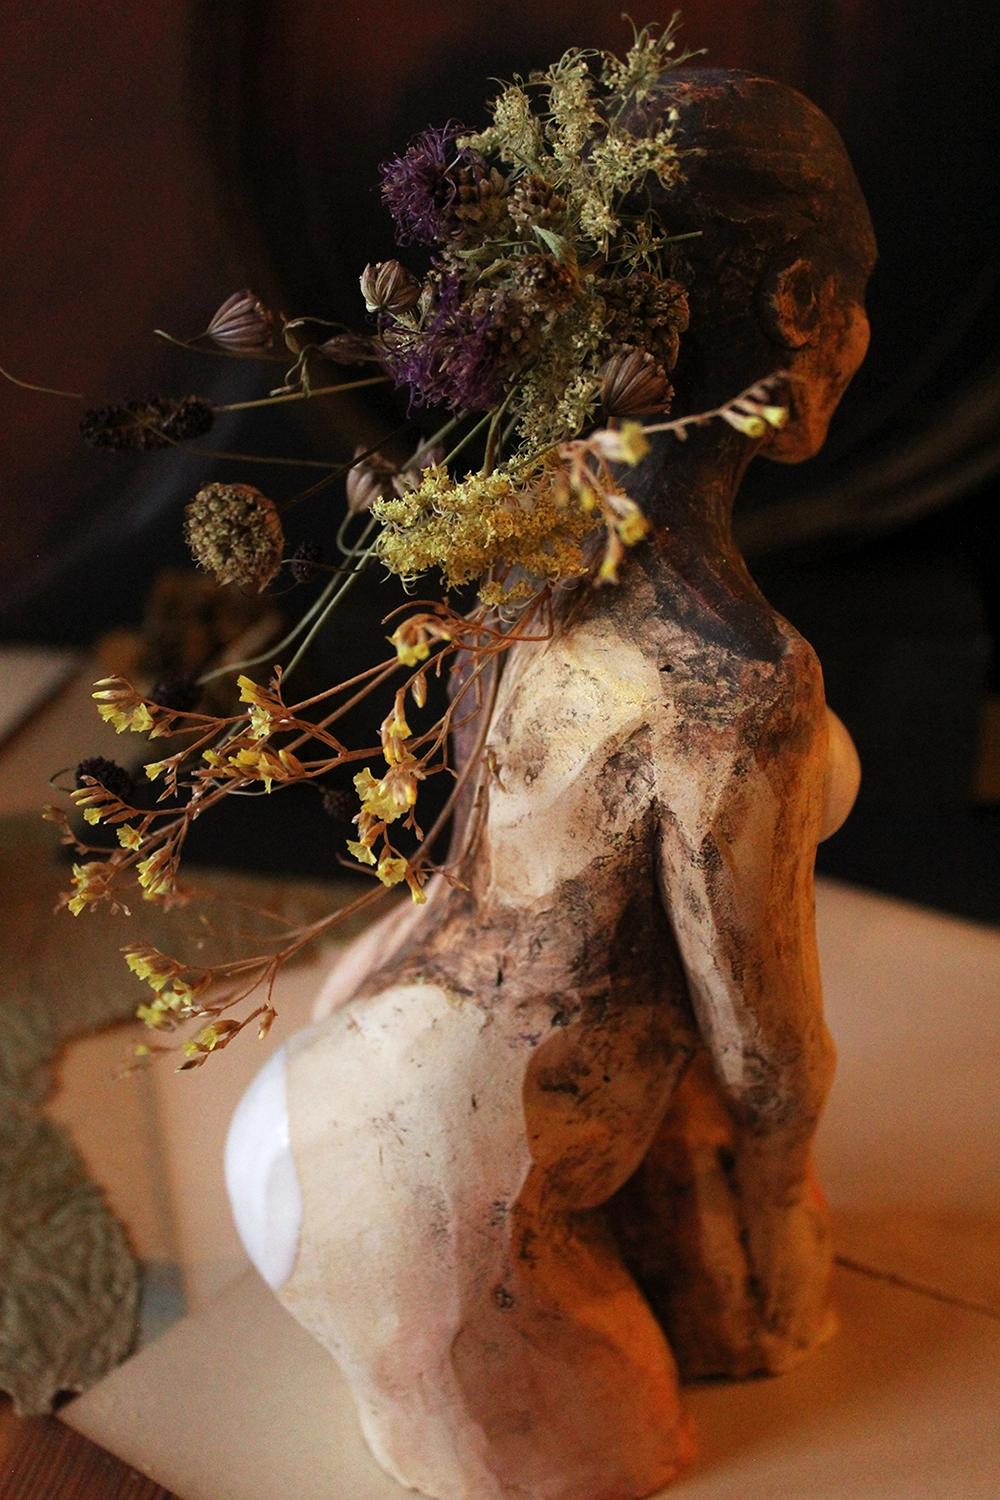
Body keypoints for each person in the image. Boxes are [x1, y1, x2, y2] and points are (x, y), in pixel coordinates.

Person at [226, 70, 875, 1500]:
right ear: (799, 305)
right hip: (420, 1190)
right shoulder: (736, 679)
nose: (865, 334)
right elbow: (767, 1057)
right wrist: (784, 1219)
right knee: (624, 1458)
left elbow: (484, 877)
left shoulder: (524, 560)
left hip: (375, 1074)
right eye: (860, 295)